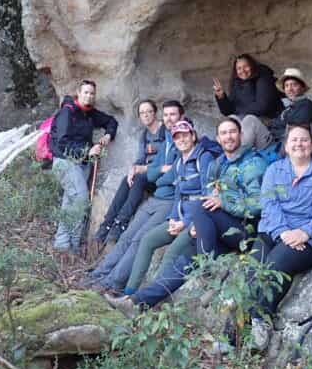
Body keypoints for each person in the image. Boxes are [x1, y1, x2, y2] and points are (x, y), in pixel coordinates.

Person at [114, 116, 267, 311]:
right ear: (218, 139)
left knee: (198, 207)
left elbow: (258, 204)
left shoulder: (253, 163)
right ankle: (137, 303)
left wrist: (223, 203)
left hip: (246, 231)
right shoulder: (218, 164)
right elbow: (209, 196)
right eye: (223, 133)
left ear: (241, 135)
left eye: (232, 132)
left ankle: (207, 271)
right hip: (221, 231)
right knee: (185, 259)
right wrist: (200, 224)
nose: (228, 137)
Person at [243, 123, 312, 348]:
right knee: (251, 272)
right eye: (294, 140)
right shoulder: (274, 170)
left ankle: (260, 322)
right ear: (286, 146)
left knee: (276, 263)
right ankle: (233, 335)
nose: (299, 144)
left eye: (304, 140)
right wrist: (284, 234)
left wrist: (306, 232)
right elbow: (269, 204)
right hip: (276, 231)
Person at [86, 100, 185, 293]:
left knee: (138, 240)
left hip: (169, 202)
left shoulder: (184, 141)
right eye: (166, 115)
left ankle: (112, 283)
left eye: (173, 115)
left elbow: (174, 175)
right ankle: (99, 273)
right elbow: (154, 172)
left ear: (181, 116)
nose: (169, 119)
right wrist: (161, 171)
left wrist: (163, 172)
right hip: (157, 196)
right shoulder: (167, 142)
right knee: (127, 237)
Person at [120, 118, 217, 295]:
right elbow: (178, 193)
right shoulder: (179, 162)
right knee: (147, 241)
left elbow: (207, 194)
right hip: (179, 217)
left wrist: (186, 222)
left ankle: (147, 301)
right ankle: (129, 292)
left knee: (171, 253)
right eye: (177, 137)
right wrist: (173, 218)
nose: (181, 140)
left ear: (193, 136)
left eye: (185, 135)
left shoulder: (204, 158)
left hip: (198, 221)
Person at [49, 80, 118, 252]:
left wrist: (108, 135)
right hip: (65, 161)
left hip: (82, 164)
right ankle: (73, 245)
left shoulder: (89, 113)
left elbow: (111, 121)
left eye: (92, 93)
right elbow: (62, 142)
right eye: (86, 92)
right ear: (78, 94)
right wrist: (88, 150)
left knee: (70, 200)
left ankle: (62, 243)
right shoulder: (67, 113)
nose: (89, 96)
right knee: (81, 199)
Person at [94, 99, 164, 243]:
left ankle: (121, 223)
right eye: (142, 113)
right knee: (127, 179)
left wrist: (143, 169)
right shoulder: (145, 135)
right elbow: (140, 158)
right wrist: (133, 169)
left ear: (155, 113)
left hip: (162, 176)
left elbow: (166, 160)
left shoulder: (166, 132)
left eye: (149, 111)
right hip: (148, 175)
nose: (145, 115)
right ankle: (107, 223)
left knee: (139, 179)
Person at [212, 53, 283, 149]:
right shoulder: (237, 84)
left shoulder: (263, 78)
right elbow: (228, 111)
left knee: (248, 120)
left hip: (269, 125)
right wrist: (221, 96)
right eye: (239, 68)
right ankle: (228, 152)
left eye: (246, 67)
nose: (243, 71)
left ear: (252, 66)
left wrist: (238, 112)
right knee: (231, 119)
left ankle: (239, 153)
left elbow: (262, 106)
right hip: (246, 122)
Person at [268, 68, 312, 148]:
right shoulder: (288, 107)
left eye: (294, 85)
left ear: (303, 88)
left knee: (251, 120)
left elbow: (296, 131)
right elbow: (278, 124)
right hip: (280, 142)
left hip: (296, 147)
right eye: (286, 86)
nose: (290, 89)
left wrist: (275, 127)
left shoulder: (309, 107)